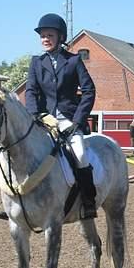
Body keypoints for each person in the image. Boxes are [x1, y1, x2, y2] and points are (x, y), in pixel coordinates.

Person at [25, 13, 98, 219]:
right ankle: (14, 201)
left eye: (49, 35)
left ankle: (88, 200)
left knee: (81, 155)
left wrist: (78, 121)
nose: (45, 39)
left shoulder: (73, 61)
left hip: (69, 119)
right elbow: (30, 91)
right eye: (42, 36)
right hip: (43, 119)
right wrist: (34, 115)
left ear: (60, 37)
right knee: (22, 150)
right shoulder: (36, 63)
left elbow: (89, 90)